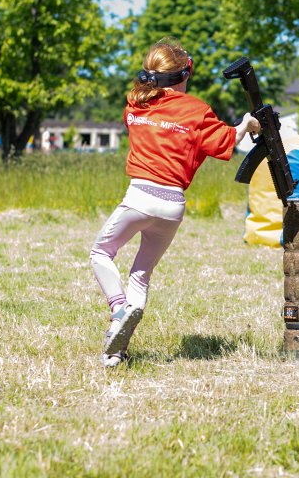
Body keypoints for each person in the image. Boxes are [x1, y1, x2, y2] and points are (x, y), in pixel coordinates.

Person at [89, 37, 259, 368]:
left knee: (101, 253)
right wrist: (246, 123)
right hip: (173, 206)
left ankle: (118, 310)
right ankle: (115, 353)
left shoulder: (135, 107)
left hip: (139, 196)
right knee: (141, 272)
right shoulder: (197, 110)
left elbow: (148, 119)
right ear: (183, 75)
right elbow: (225, 141)